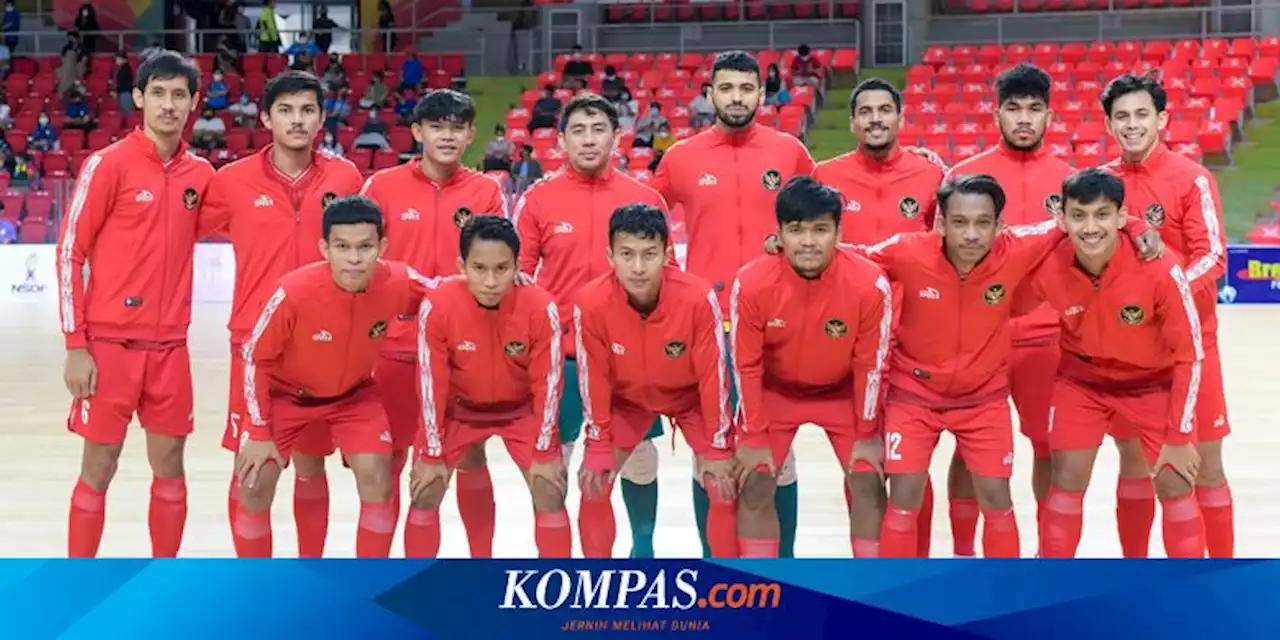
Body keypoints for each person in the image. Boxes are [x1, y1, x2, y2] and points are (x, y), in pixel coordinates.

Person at [652, 50, 813, 558]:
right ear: (710, 94)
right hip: (709, 329)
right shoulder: (681, 157)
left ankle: (784, 571)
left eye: (747, 88)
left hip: (781, 326)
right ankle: (716, 567)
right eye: (727, 88)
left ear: (761, 95)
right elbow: (642, 223)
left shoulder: (790, 152)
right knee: (712, 455)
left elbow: (821, 222)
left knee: (778, 457)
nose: (737, 97)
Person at [198, 71, 365, 558]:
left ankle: (308, 572)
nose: (297, 119)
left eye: (307, 109)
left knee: (312, 463)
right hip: (253, 344)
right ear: (267, 118)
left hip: (323, 343)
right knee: (251, 466)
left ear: (321, 118)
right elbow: (173, 233)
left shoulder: (346, 178)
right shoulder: (229, 182)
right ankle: (256, 584)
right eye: (286, 110)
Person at [57, 51, 215, 558]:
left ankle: (162, 579)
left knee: (171, 469)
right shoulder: (108, 165)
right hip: (110, 347)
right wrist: (75, 345)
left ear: (193, 103)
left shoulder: (201, 174)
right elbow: (69, 253)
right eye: (159, 94)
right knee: (98, 468)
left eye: (179, 95)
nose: (169, 105)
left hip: (171, 349)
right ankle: (78, 583)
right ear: (140, 97)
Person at [235, 195, 438, 558]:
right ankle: (257, 589)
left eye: (365, 247)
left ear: (383, 247)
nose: (355, 258)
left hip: (356, 397)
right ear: (324, 248)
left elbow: (448, 293)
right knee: (252, 485)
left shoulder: (398, 280)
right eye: (343, 247)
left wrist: (516, 284)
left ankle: (365, 587)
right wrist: (258, 428)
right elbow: (254, 356)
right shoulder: (293, 292)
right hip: (286, 398)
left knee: (379, 476)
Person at [514, 93, 670, 558]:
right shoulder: (537, 199)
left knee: (640, 460)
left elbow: (668, 277)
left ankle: (642, 549)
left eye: (597, 129)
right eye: (577, 131)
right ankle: (559, 563)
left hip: (629, 360)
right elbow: (519, 278)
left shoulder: (644, 199)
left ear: (616, 138)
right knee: (556, 463)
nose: (588, 139)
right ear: (560, 140)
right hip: (560, 358)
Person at [359, 89, 507, 553]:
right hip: (395, 345)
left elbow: (499, 262)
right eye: (437, 126)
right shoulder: (381, 187)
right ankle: (381, 581)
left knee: (469, 455)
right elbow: (364, 259)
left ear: (469, 135)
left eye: (456, 127)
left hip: (465, 347)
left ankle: (479, 564)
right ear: (418, 132)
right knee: (391, 460)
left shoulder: (486, 191)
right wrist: (431, 288)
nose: (447, 135)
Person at [1031, 168, 1206, 559]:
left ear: (1122, 216)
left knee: (1175, 483)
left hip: (1152, 383)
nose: (1090, 228)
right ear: (1062, 218)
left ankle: (1191, 595)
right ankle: (1049, 588)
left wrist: (1179, 437)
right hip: (1082, 382)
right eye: (1079, 216)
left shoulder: (1161, 269)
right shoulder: (1046, 258)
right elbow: (1001, 243)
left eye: (1102, 215)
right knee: (1066, 480)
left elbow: (1190, 355)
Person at [942, 63, 1076, 558]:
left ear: (1049, 115)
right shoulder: (962, 178)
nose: (1024, 119)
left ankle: (1047, 556)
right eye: (1014, 109)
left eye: (1034, 109)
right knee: (967, 450)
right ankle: (962, 554)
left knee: (1049, 448)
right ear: (996, 112)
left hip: (1046, 342)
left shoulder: (1070, 181)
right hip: (981, 340)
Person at [1100, 73, 1232, 558]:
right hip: (1126, 354)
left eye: (1141, 115)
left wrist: (1166, 292)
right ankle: (1137, 577)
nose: (1132, 125)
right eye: (1122, 117)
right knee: (1135, 468)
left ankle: (1221, 581)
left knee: (1206, 469)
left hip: (1192, 348)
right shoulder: (1102, 184)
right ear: (1109, 124)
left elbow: (1213, 255)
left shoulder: (1192, 178)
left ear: (1162, 119)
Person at [730, 176, 890, 558]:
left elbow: (871, 365)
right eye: (796, 230)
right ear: (779, 233)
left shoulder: (869, 283)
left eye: (820, 230)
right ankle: (764, 588)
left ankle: (871, 589)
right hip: (775, 392)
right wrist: (753, 437)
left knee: (868, 481)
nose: (807, 242)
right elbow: (745, 364)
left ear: (839, 231)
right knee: (754, 483)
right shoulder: (751, 283)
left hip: (841, 394)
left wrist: (868, 432)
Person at [575, 204, 737, 557]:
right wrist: (598, 443)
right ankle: (604, 576)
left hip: (690, 397)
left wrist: (719, 447)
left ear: (667, 254)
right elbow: (594, 378)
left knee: (724, 484)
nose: (637, 267)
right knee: (593, 484)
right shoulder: (590, 302)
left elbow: (714, 375)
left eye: (649, 255)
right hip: (627, 400)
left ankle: (723, 576)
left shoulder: (697, 297)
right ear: (610, 256)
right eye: (627, 254)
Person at [406, 216, 570, 558]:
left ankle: (557, 593)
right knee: (425, 490)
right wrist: (432, 453)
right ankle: (422, 586)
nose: (491, 281)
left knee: (550, 489)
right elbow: (430, 383)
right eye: (479, 268)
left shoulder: (541, 306)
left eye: (502, 268)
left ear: (518, 266)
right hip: (459, 409)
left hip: (520, 410)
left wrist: (544, 452)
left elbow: (549, 384)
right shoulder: (438, 305)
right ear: (461, 265)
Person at [814, 78, 945, 245]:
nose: (875, 119)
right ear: (852, 124)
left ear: (900, 120)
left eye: (885, 110)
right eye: (865, 111)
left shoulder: (930, 173)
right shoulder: (823, 176)